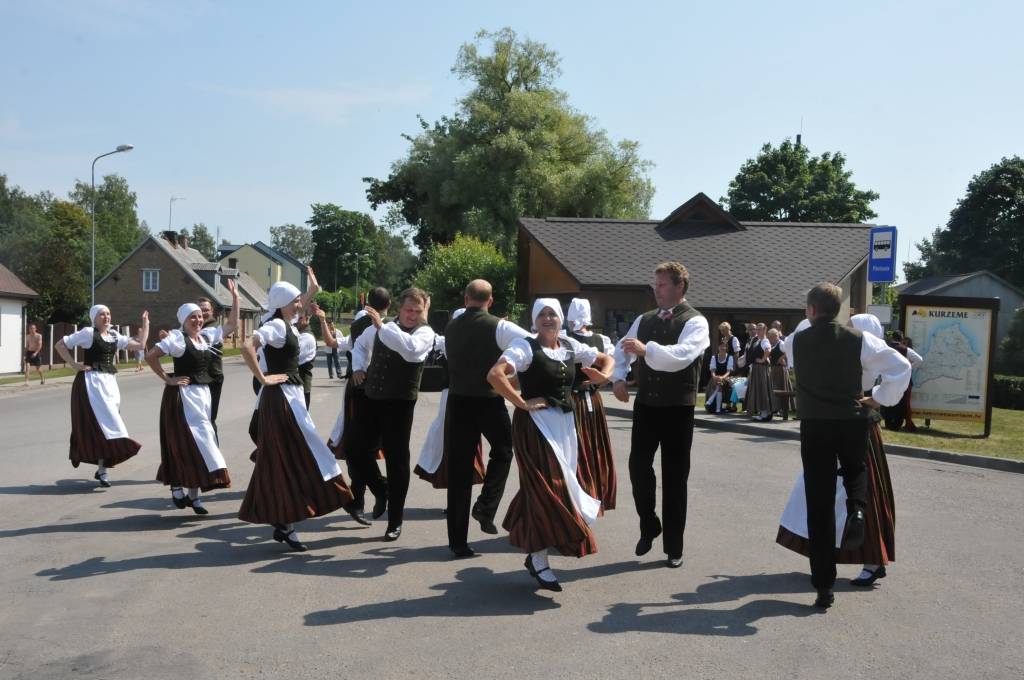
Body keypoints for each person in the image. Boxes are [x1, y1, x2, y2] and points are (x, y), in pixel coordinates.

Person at [786, 284, 910, 609]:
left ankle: (824, 587)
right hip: (852, 418)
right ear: (839, 310)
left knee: (819, 500)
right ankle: (857, 508)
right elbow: (901, 366)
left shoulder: (798, 337)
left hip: (815, 424)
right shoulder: (860, 339)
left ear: (811, 310)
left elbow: (784, 355)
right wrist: (881, 397)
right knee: (857, 470)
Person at [487, 299, 615, 591]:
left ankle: (535, 553)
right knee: (550, 488)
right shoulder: (524, 347)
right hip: (534, 426)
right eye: (542, 314)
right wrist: (520, 401)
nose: (548, 319)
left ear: (561, 319)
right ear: (534, 320)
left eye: (552, 314)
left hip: (566, 426)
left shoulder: (570, 346)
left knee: (549, 488)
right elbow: (495, 375)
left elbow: (606, 358)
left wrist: (603, 375)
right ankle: (540, 559)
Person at [239, 282, 368, 552]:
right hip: (282, 399)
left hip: (290, 397)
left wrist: (313, 289)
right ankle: (342, 501)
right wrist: (263, 378)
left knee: (288, 460)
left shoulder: (287, 322)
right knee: (306, 455)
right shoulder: (275, 326)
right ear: (282, 303)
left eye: (300, 300)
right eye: (295, 301)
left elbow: (299, 308)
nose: (300, 305)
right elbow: (247, 345)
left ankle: (286, 522)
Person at [612, 261, 710, 569]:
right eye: (655, 285)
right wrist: (618, 376)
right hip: (647, 405)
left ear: (680, 286)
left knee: (675, 477)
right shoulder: (645, 319)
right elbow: (622, 348)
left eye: (663, 285)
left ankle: (674, 547)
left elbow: (681, 358)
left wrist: (646, 350)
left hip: (678, 409)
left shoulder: (696, 322)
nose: (657, 291)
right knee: (637, 466)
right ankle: (649, 523)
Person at [443, 281, 532, 558]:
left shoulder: (451, 325)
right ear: (490, 300)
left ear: (466, 297)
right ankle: (486, 504)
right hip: (488, 400)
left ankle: (457, 541)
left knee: (458, 472)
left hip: (458, 400)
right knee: (504, 452)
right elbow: (530, 342)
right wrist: (513, 376)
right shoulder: (500, 327)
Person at [348, 287, 435, 541]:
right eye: (408, 310)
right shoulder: (380, 326)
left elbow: (409, 350)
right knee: (354, 449)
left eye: (418, 311)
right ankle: (381, 488)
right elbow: (360, 346)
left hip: (399, 403)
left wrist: (382, 327)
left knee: (397, 461)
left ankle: (395, 520)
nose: (412, 315)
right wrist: (357, 367)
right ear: (399, 307)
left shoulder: (425, 332)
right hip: (372, 397)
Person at [146, 303, 231, 514]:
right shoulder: (177, 339)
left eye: (200, 316)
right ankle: (177, 487)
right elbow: (151, 356)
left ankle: (194, 497)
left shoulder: (205, 338)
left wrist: (236, 297)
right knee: (183, 444)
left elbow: (230, 325)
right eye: (193, 317)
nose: (198, 320)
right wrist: (168, 379)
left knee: (204, 444)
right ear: (183, 320)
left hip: (202, 396)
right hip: (181, 397)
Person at [55, 305, 149, 487]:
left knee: (106, 427)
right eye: (102, 314)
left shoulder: (114, 335)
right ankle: (104, 468)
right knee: (102, 427)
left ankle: (102, 469)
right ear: (94, 318)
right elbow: (60, 344)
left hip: (110, 384)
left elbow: (141, 345)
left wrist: (145, 324)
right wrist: (74, 364)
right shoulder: (88, 333)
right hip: (91, 383)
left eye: (108, 313)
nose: (106, 317)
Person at [327, 288, 391, 521]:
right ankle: (372, 492)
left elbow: (343, 346)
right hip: (369, 390)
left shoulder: (362, 325)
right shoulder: (391, 327)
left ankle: (360, 497)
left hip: (361, 389)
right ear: (389, 304)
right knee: (358, 448)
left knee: (358, 448)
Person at [413, 307, 488, 494]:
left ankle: (460, 489)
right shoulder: (447, 342)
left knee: (459, 445)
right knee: (451, 443)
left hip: (468, 398)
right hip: (452, 398)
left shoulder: (476, 344)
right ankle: (456, 490)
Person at [564, 297, 617, 511]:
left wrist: (602, 376)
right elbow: (614, 368)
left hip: (576, 401)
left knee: (580, 450)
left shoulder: (566, 340)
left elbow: (613, 367)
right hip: (590, 401)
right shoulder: (600, 341)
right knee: (587, 450)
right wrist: (603, 377)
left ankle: (584, 498)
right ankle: (586, 497)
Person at [196, 278, 240, 427]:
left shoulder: (214, 329)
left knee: (208, 419)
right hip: (195, 379)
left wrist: (235, 298)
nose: (203, 312)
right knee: (196, 420)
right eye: (200, 310)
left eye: (206, 310)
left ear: (212, 311)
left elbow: (232, 324)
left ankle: (212, 447)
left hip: (212, 378)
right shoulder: (190, 328)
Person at [745, 323, 775, 422]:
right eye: (757, 329)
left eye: (760, 329)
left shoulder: (765, 340)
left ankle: (765, 413)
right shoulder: (758, 341)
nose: (757, 331)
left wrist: (763, 359)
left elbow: (768, 349)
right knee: (759, 389)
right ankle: (764, 412)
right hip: (757, 368)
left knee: (763, 389)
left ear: (764, 330)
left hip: (762, 369)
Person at [767, 327, 794, 420]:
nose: (769, 338)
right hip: (773, 369)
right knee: (773, 389)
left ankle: (783, 410)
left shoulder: (781, 344)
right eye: (769, 337)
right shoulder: (771, 344)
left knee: (782, 389)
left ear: (775, 336)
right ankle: (775, 408)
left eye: (770, 337)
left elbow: (788, 351)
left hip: (780, 370)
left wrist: (781, 358)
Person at [705, 340, 733, 414]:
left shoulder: (730, 357)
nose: (722, 348)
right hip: (715, 378)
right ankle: (717, 409)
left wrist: (722, 377)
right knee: (719, 383)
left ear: (726, 347)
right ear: (718, 347)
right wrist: (714, 377)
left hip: (726, 378)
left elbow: (728, 372)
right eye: (721, 346)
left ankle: (711, 401)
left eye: (724, 346)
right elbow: (713, 370)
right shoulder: (714, 357)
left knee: (720, 383)